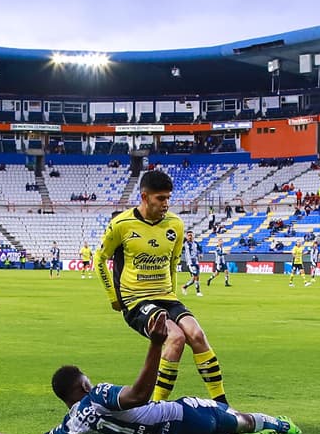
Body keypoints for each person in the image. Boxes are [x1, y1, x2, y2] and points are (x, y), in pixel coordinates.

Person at [0, 321, 300, 434]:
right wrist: (155, 344)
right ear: (83, 384)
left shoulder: (68, 430)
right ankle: (276, 423)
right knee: (230, 415)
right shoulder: (98, 395)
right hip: (186, 419)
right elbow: (140, 396)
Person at [95, 169, 228, 404]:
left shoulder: (175, 225)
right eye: (161, 198)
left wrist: (173, 294)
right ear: (145, 197)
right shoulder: (122, 224)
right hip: (136, 300)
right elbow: (99, 259)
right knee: (175, 338)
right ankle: (156, 408)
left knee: (196, 334)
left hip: (166, 296)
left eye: (168, 198)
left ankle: (223, 405)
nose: (166, 203)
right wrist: (113, 297)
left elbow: (174, 262)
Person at [179, 231, 202, 297]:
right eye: (188, 235)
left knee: (194, 278)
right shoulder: (185, 243)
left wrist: (200, 254)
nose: (190, 237)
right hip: (190, 263)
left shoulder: (196, 243)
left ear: (193, 236)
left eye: (191, 235)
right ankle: (198, 291)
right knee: (195, 276)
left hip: (196, 262)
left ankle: (184, 287)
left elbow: (200, 249)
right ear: (186, 237)